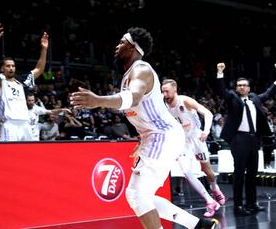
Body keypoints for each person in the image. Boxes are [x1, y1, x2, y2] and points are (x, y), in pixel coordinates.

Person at [70, 27, 217, 229]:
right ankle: (200, 225)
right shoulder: (129, 74)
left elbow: (134, 97)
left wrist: (98, 100)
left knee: (137, 194)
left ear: (132, 47)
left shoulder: (141, 70)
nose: (117, 46)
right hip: (157, 136)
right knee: (143, 196)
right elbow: (143, 112)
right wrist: (142, 140)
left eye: (121, 42)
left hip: (162, 135)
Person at [215, 62, 275, 216]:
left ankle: (251, 203)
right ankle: (238, 206)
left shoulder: (254, 98)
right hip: (239, 139)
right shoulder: (233, 97)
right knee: (239, 173)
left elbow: (268, 93)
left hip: (254, 140)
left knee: (252, 174)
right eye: (239, 85)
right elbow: (222, 91)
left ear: (249, 88)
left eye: (244, 85)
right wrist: (220, 73)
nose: (242, 87)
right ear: (236, 88)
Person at [161, 79, 226, 217]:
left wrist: (206, 130)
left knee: (207, 171)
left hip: (197, 137)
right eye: (163, 91)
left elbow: (208, 113)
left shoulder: (185, 101)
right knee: (186, 171)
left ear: (175, 90)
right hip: (182, 141)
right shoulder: (163, 104)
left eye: (167, 91)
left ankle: (215, 189)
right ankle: (209, 201)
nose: (164, 93)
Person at [0, 23, 49, 141]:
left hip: (25, 123)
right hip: (9, 125)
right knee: (10, 156)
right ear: (2, 68)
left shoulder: (21, 81)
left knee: (29, 155)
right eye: (8, 66)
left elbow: (39, 69)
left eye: (13, 66)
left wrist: (44, 49)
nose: (11, 68)